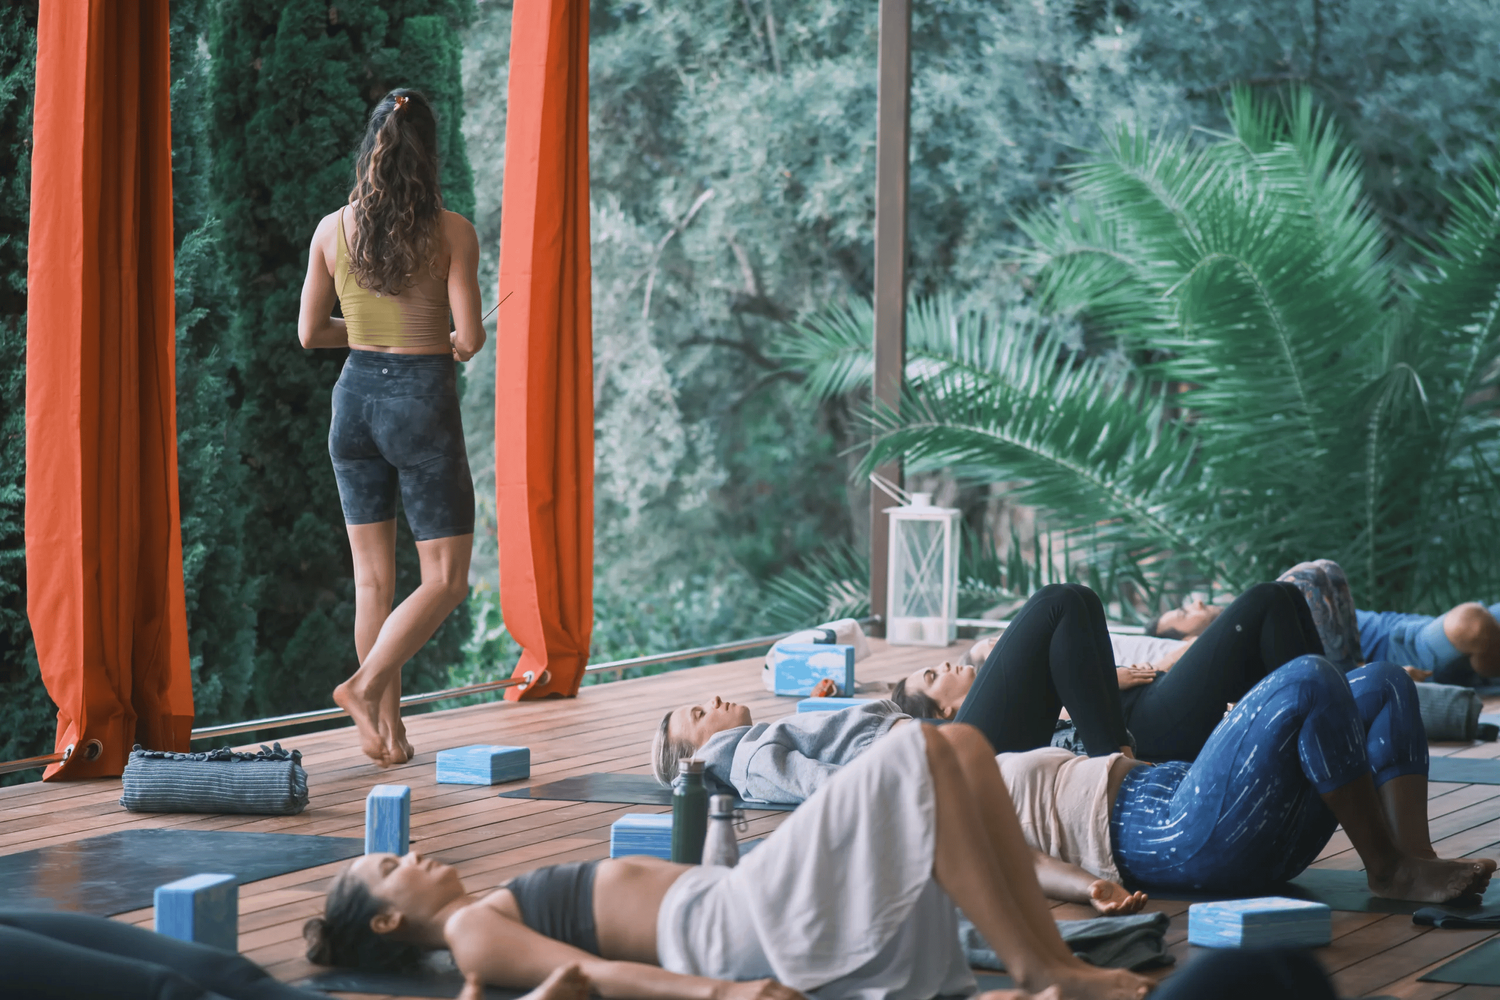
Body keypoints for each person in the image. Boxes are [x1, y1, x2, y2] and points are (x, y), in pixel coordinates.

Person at [308, 722, 1156, 1000]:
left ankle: (1045, 956)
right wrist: (722, 994)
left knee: (962, 745)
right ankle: (1040, 965)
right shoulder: (471, 935)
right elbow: (592, 976)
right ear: (389, 919)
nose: (411, 854)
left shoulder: (482, 910)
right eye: (390, 868)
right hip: (732, 932)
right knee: (925, 751)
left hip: (739, 898)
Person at [297, 89, 485, 766]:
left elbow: (311, 332)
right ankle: (364, 685)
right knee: (446, 579)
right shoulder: (452, 231)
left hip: (352, 405)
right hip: (420, 404)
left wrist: (371, 325)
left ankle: (388, 733)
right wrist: (446, 338)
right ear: (429, 154)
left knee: (372, 582)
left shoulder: (330, 230)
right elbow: (470, 336)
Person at [997, 655, 1496, 903]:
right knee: (1308, 680)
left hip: (1205, 805)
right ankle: (1389, 868)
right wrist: (1089, 889)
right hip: (1168, 836)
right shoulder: (950, 803)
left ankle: (1415, 859)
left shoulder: (962, 761)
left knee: (1385, 682)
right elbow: (1023, 863)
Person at [894, 582, 1325, 762]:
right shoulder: (987, 731)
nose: (945, 665)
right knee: (1266, 601)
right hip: (1147, 723)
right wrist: (1095, 685)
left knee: (1283, 596)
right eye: (933, 677)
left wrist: (1102, 676)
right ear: (945, 713)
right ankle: (1118, 762)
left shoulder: (1015, 695)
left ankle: (1337, 728)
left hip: (1151, 700)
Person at [1151, 560, 1500, 685]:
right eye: (1184, 614)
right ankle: (1356, 674)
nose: (1195, 601)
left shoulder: (1263, 615)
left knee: (1322, 568)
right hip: (1403, 652)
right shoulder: (1242, 642)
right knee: (1470, 624)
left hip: (1405, 630)